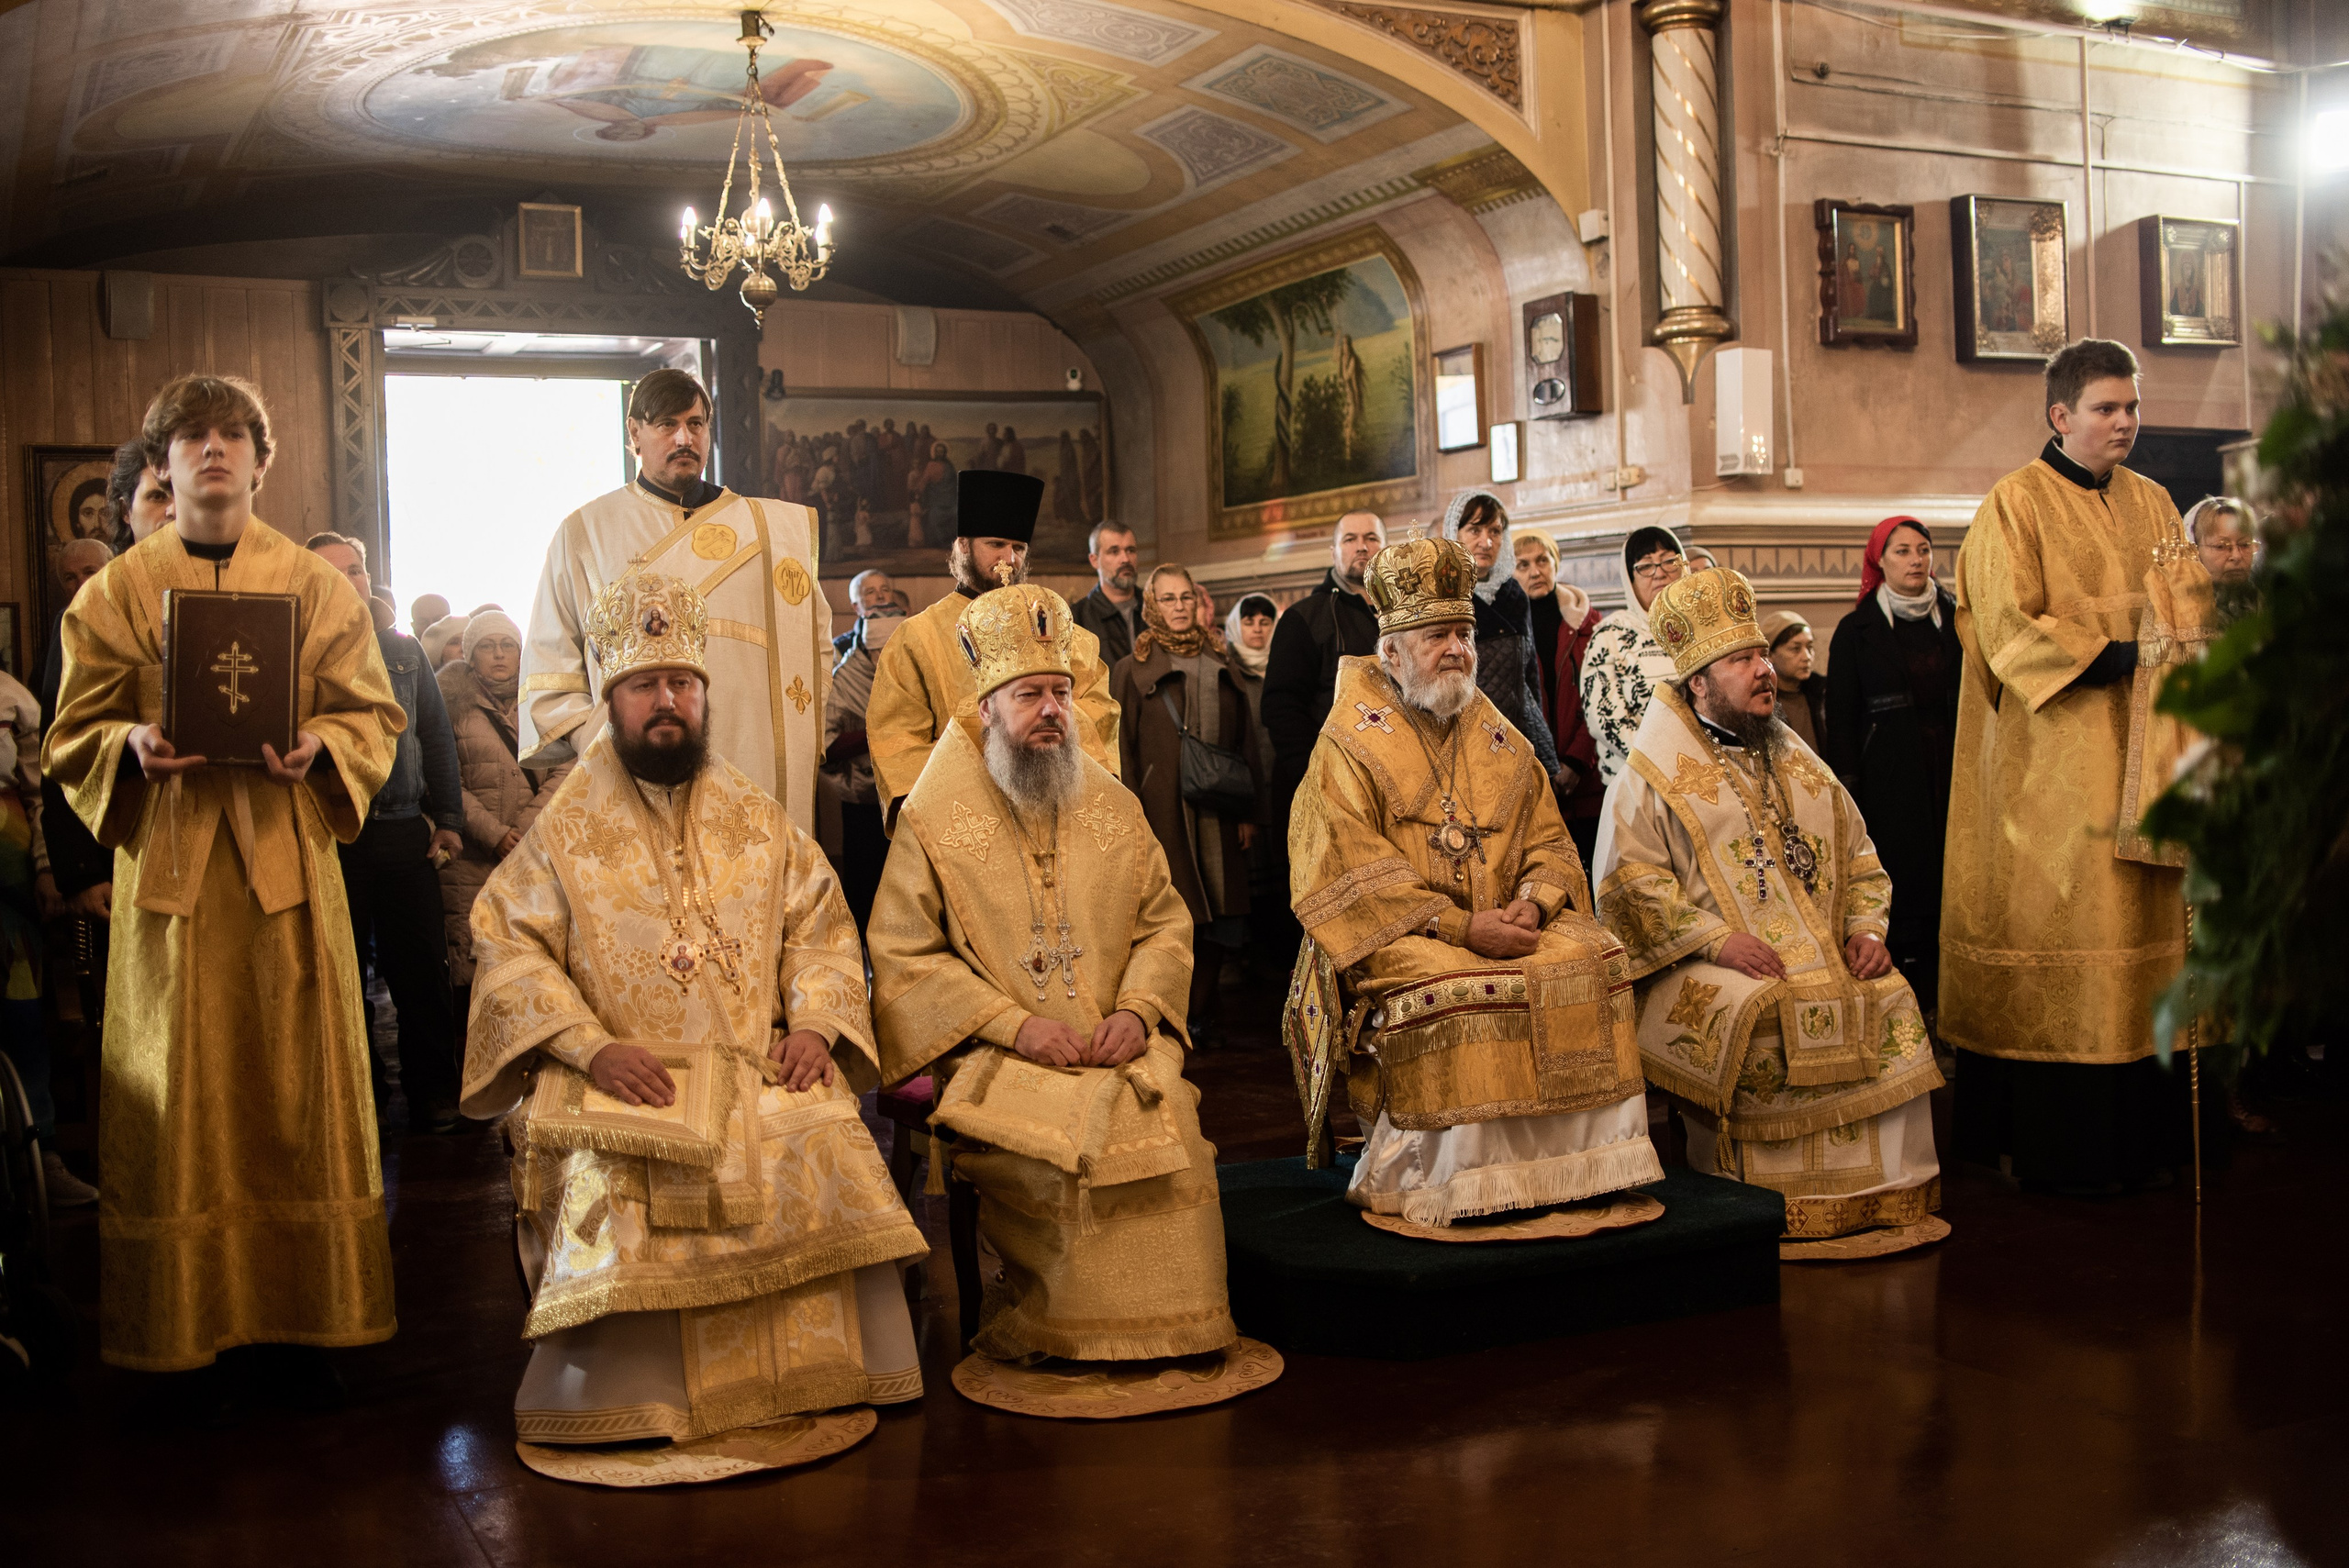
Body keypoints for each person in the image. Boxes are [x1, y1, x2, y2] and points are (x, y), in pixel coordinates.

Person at [462, 568, 928, 1444]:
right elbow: (506, 944)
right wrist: (590, 1046)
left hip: (757, 1066)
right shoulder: (564, 826)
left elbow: (822, 926)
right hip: (616, 1076)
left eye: (682, 682)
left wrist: (819, 1026)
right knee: (617, 1171)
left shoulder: (755, 817)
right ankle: (630, 1397)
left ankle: (820, 1373)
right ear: (614, 698)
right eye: (645, 685)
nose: (667, 700)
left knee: (826, 1126)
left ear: (704, 695)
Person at [44, 373, 404, 1396]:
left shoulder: (316, 582)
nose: (212, 451)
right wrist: (131, 740)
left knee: (298, 1080)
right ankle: (185, 1324)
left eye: (232, 435)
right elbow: (74, 732)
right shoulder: (114, 589)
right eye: (191, 436)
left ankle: (309, 1311)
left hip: (287, 863)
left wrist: (319, 745)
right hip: (170, 873)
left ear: (259, 457)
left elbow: (372, 713)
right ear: (160, 461)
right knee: (177, 1086)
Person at [867, 583, 1236, 1364]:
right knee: (1076, 1147)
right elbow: (902, 954)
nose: (1050, 711)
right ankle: (1062, 1334)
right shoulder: (932, 818)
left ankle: (1179, 1335)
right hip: (997, 1056)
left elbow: (1163, 922)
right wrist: (1016, 1027)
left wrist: (1137, 1013)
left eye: (1061, 694)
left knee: (1169, 1122)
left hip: (1113, 1043)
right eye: (1028, 694)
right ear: (988, 706)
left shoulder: (1112, 803)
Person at [1285, 538, 1662, 1221]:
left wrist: (1534, 902)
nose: (1457, 648)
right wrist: (1460, 926)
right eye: (1438, 635)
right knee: (1452, 990)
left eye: (1463, 633)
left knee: (1595, 957)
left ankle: (1572, 1171)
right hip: (1404, 931)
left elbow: (1550, 839)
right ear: (1392, 649)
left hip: (1507, 924)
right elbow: (1339, 868)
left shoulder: (1497, 733)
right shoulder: (1348, 741)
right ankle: (1455, 1183)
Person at [1593, 567, 1944, 1243]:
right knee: (1761, 1008)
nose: (1763, 672)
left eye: (1761, 656)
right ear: (1698, 681)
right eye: (1741, 660)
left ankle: (1887, 1194)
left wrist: (1867, 930)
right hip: (1702, 960)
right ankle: (1755, 1202)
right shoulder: (1648, 777)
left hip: (1819, 952)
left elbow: (1862, 858)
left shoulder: (1799, 761)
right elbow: (1629, 889)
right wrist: (1717, 940)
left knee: (1891, 991)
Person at [1942, 339, 2190, 1194]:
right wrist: (2118, 655)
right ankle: (2062, 1151)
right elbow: (2003, 628)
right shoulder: (2012, 506)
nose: (2125, 422)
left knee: (2143, 932)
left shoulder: (2157, 502)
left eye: (2131, 407)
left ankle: (2147, 1142)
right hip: (2060, 766)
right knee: (2078, 921)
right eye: (2107, 409)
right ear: (2061, 415)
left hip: (2150, 758)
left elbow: (2188, 607)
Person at [518, 367, 829, 832]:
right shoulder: (585, 533)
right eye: (667, 424)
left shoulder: (773, 533)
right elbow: (551, 663)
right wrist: (600, 741)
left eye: (696, 423)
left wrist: (798, 737)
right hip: (635, 765)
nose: (684, 437)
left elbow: (814, 644)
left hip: (753, 761)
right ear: (635, 434)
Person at [309, 534, 469, 1133]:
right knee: (341, 976)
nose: (347, 581)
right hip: (331, 835)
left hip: (403, 828)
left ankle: (433, 1092)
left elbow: (435, 736)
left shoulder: (403, 651)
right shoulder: (292, 651)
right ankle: (364, 1096)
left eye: (354, 570)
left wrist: (449, 819)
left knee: (423, 970)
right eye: (331, 573)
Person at [864, 470, 1119, 825]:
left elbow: (1098, 713)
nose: (1010, 560)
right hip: (965, 818)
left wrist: (1036, 731)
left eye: (1018, 548)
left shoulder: (1064, 633)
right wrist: (993, 745)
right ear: (963, 545)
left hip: (1054, 810)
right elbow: (897, 743)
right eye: (996, 545)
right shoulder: (916, 638)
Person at [1113, 564, 1264, 1045]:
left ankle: (1200, 1013)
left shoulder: (1222, 655)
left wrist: (1248, 812)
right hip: (1162, 811)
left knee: (1219, 913)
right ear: (1151, 606)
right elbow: (1121, 748)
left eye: (1185, 598)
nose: (1178, 607)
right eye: (1167, 599)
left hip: (1219, 808)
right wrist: (1130, 813)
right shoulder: (1131, 667)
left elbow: (1246, 741)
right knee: (1173, 912)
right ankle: (1169, 1012)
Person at [1824, 517, 1961, 1011]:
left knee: (1952, 882)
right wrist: (1849, 786)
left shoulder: (1956, 616)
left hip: (1950, 769)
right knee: (1903, 886)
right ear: (1879, 560)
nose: (1916, 560)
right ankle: (1905, 1006)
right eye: (1902, 551)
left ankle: (1951, 1004)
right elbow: (1840, 718)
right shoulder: (1856, 629)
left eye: (1923, 550)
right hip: (1889, 779)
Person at [434, 609, 566, 1040]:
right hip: (472, 861)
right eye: (487, 647)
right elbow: (445, 781)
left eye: (507, 645)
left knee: (533, 964)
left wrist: (524, 831)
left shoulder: (542, 704)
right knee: (474, 969)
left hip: (532, 857)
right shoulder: (450, 708)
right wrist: (492, 833)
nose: (498, 655)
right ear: (471, 657)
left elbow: (566, 769)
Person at [0, 666, 95, 1208]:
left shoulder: (12, 697)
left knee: (21, 1019)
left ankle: (42, 1157)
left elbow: (40, 793)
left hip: (12, 897)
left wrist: (44, 867)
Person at [1260, 511, 1385, 840]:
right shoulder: (1305, 617)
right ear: (1333, 551)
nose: (1362, 547)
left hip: (1390, 785)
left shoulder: (1403, 616)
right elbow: (1281, 707)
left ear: (1386, 548)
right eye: (1350, 539)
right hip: (1323, 788)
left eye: (1371, 538)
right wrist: (1317, 777)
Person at [1442, 490, 1564, 778]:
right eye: (1475, 530)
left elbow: (1530, 676)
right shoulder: (1442, 593)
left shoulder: (1514, 594)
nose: (1486, 542)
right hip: (1467, 741)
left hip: (1522, 731)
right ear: (1454, 533)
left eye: (1495, 531)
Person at [1514, 530, 1606, 867]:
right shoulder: (1506, 627)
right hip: (1531, 776)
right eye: (1522, 565)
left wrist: (1575, 763)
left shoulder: (1587, 623)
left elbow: (1599, 695)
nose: (1535, 572)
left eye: (1542, 560)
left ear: (1556, 564)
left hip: (1586, 780)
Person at [820, 570, 904, 926]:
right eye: (870, 593)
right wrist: (879, 733)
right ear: (855, 605)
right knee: (863, 882)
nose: (880, 596)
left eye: (886, 589)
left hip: (905, 793)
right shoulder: (843, 665)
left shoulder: (908, 660)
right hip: (861, 794)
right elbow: (827, 741)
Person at [1580, 526, 1688, 788]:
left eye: (1669, 561)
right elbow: (1604, 718)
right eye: (1646, 566)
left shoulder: (1702, 629)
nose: (1660, 572)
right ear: (1630, 578)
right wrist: (1666, 763)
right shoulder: (1611, 635)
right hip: (1638, 782)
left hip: (1701, 777)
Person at [1069, 520, 1142, 669]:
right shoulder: (1077, 619)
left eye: (1130, 550)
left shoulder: (1156, 607)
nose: (1125, 559)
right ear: (1094, 560)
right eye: (1114, 552)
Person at [1760, 611, 1829, 753]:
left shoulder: (1822, 692)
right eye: (1795, 649)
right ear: (1770, 654)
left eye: (1810, 647)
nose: (1806, 657)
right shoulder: (1762, 699)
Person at [2186, 495, 2260, 626]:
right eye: (2221, 546)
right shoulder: (2177, 611)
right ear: (2194, 551)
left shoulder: (2271, 603)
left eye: (2244, 545)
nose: (2236, 556)